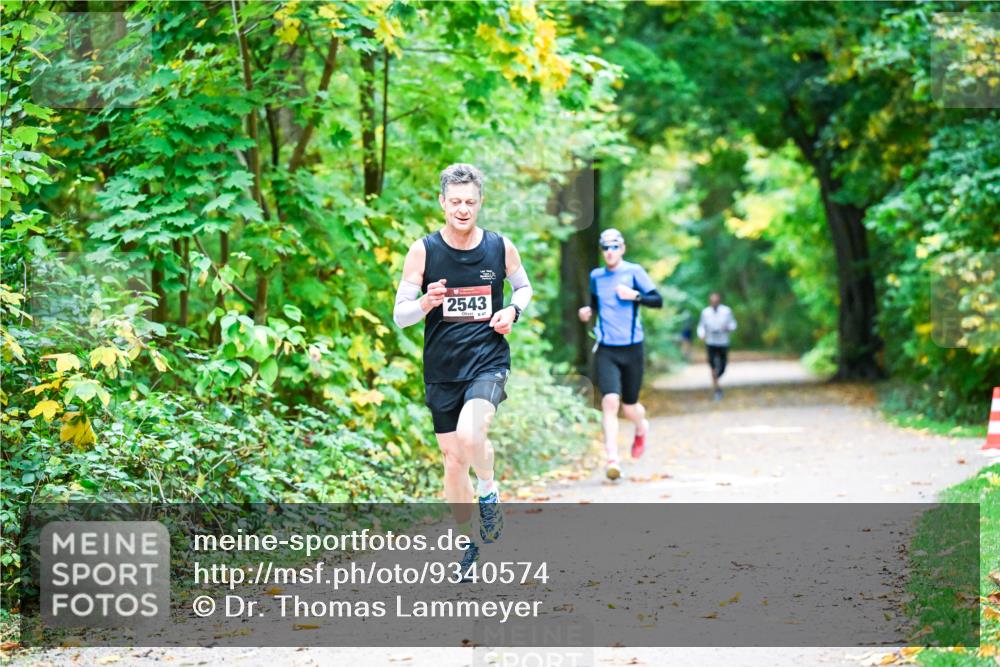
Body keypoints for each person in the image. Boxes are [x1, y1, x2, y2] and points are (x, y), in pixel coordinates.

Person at [393, 163, 532, 575]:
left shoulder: (499, 247)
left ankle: (488, 491)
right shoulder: (423, 251)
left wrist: (512, 311)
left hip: (488, 360)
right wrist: (425, 303)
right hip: (442, 369)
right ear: (442, 202)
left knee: (472, 434)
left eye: (470, 202)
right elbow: (400, 315)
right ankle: (467, 544)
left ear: (480, 202)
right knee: (453, 460)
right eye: (455, 201)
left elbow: (523, 288)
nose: (462, 209)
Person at [577, 229, 662, 480]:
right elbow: (595, 303)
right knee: (610, 401)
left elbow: (657, 300)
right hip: (607, 348)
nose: (610, 252)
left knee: (630, 406)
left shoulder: (634, 272)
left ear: (622, 249)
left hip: (632, 348)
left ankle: (641, 427)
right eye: (605, 247)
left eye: (614, 247)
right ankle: (612, 460)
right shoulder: (596, 276)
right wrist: (587, 311)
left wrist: (635, 295)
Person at [696, 292, 737, 401]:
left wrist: (728, 328)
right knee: (712, 365)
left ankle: (716, 379)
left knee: (723, 366)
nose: (714, 303)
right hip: (711, 341)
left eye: (716, 301)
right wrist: (701, 334)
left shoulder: (726, 311)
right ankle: (717, 389)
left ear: (719, 301)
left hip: (723, 341)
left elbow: (733, 324)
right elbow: (701, 326)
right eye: (712, 301)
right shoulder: (705, 312)